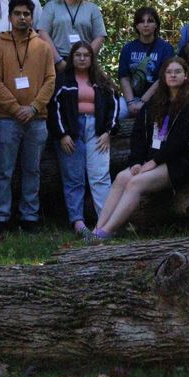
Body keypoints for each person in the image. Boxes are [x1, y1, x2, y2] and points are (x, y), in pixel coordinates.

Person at [92, 57, 189, 240]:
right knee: (121, 177)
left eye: (177, 72)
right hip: (150, 159)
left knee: (136, 183)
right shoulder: (154, 102)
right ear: (163, 76)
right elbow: (138, 133)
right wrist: (136, 161)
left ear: (185, 76)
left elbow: (180, 141)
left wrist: (153, 162)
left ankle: (107, 232)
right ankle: (97, 228)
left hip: (179, 160)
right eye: (169, 72)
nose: (173, 75)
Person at [0, 0, 56, 232]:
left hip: (37, 118)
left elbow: (50, 79)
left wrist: (34, 107)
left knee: (32, 169)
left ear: (32, 17)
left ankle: (30, 216)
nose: (22, 18)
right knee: (4, 170)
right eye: (18, 13)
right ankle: (0, 217)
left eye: (27, 14)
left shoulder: (43, 47)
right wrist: (16, 109)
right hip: (7, 119)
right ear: (9, 17)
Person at [49, 42, 120, 236]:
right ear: (72, 57)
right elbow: (53, 109)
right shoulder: (63, 80)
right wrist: (62, 134)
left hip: (97, 132)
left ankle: (105, 224)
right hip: (71, 133)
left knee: (100, 177)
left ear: (92, 58)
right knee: (74, 178)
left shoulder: (102, 80)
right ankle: (78, 223)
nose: (82, 58)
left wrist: (108, 132)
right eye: (78, 55)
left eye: (86, 55)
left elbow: (114, 107)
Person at [36, 0, 107, 67]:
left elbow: (100, 36)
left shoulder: (92, 9)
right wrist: (58, 61)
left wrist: (86, 57)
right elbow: (42, 33)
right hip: (57, 60)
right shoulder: (51, 6)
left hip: (84, 61)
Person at [117, 7, 175, 118]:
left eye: (150, 21)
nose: (145, 24)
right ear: (137, 26)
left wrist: (143, 102)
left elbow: (163, 78)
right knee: (116, 114)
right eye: (141, 21)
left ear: (156, 25)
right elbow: (124, 77)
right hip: (131, 97)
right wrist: (130, 102)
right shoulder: (128, 48)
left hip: (156, 98)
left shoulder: (165, 49)